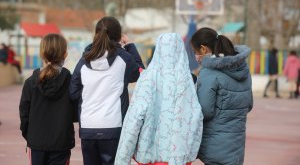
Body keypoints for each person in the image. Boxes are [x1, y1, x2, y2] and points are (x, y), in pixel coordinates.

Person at [115, 33, 203, 165]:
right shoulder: (189, 81)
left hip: (148, 154)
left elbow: (134, 118)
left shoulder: (146, 78)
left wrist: (122, 158)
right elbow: (196, 118)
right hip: (178, 156)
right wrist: (191, 151)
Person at [69, 16, 144, 165]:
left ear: (96, 35)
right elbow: (140, 74)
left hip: (88, 126)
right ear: (118, 36)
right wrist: (129, 45)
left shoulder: (84, 61)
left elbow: (73, 92)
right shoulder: (124, 59)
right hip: (113, 126)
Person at [191, 27, 253, 165]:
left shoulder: (209, 73)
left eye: (195, 52)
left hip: (215, 146)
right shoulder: (243, 69)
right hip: (236, 148)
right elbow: (249, 105)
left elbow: (205, 111)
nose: (195, 56)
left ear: (203, 49)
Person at [19, 34, 76, 165]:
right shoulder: (72, 82)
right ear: (65, 54)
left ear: (42, 53)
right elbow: (75, 113)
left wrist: (30, 136)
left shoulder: (30, 82)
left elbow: (24, 115)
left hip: (37, 142)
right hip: (61, 142)